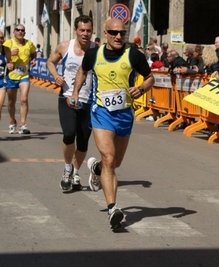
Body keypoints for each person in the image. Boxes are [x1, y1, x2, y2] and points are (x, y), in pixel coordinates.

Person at [70, 18, 155, 230]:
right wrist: (75, 92)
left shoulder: (133, 54)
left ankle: (95, 168)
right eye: (114, 33)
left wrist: (142, 88)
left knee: (114, 163)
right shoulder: (94, 55)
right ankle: (112, 209)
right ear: (105, 34)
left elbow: (150, 77)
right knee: (108, 157)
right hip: (101, 113)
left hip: (125, 114)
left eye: (122, 33)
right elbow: (83, 70)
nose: (118, 36)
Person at [47, 15, 96, 191]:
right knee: (69, 134)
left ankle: (76, 172)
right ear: (75, 30)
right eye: (82, 30)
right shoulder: (64, 47)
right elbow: (50, 62)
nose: (85, 33)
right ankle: (67, 169)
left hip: (88, 101)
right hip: (66, 97)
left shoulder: (96, 49)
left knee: (83, 142)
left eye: (88, 30)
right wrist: (56, 77)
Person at [3, 24, 37, 134]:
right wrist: (10, 55)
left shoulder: (29, 43)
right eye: (18, 30)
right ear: (14, 32)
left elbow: (33, 52)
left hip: (24, 75)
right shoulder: (8, 43)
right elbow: (2, 55)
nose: (20, 32)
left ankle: (23, 124)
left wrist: (34, 59)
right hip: (11, 75)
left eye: (22, 30)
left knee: (24, 98)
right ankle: (12, 121)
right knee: (11, 102)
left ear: (25, 33)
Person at [0, 31, 12, 122]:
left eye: (2, 37)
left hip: (1, 81)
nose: (1, 40)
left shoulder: (6, 49)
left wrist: (10, 65)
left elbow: (10, 61)